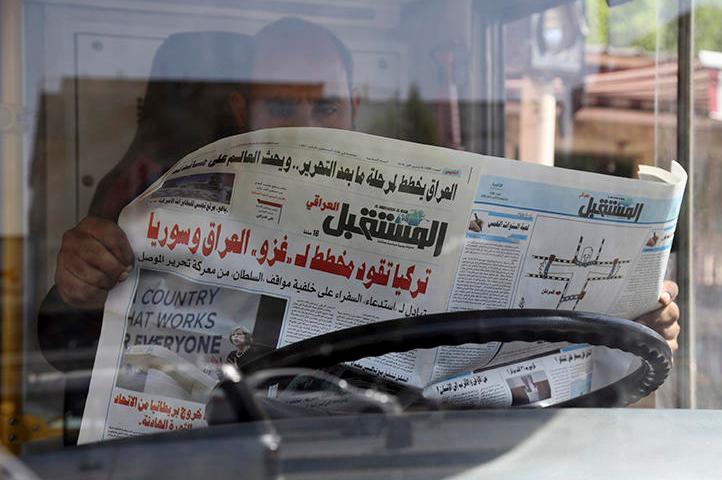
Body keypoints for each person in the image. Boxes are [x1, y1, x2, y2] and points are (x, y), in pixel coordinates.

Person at [39, 17, 681, 440]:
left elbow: (509, 329)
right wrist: (77, 289)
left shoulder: (422, 200)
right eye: (282, 105)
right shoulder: (168, 197)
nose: (307, 119)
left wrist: (627, 324)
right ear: (243, 110)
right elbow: (65, 351)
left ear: (354, 101)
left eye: (324, 104)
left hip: (406, 454)